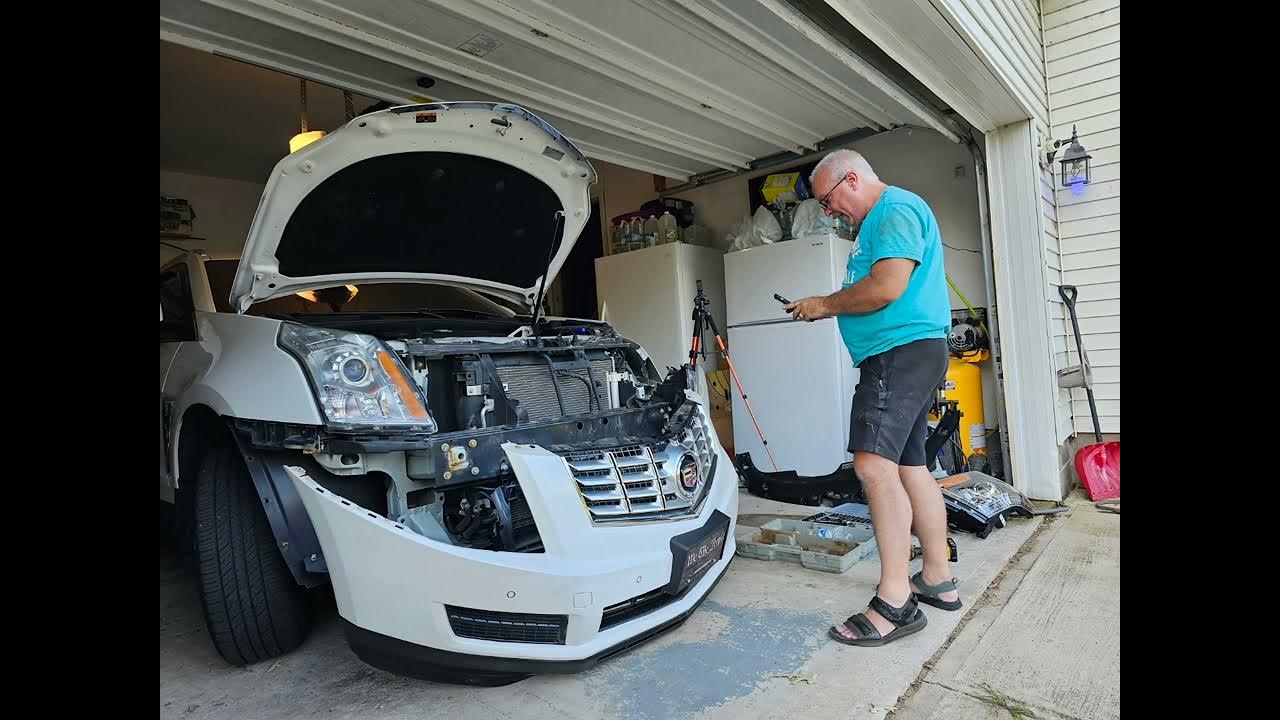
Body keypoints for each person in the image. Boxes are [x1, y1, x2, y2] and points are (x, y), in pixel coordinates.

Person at [784, 149, 961, 647]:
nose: (828, 212)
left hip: (898, 354)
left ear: (851, 179)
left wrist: (824, 304)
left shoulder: (893, 209)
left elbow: (886, 287)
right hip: (913, 352)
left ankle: (895, 601)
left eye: (827, 200)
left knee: (872, 467)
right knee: (910, 467)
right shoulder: (883, 219)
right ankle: (936, 577)